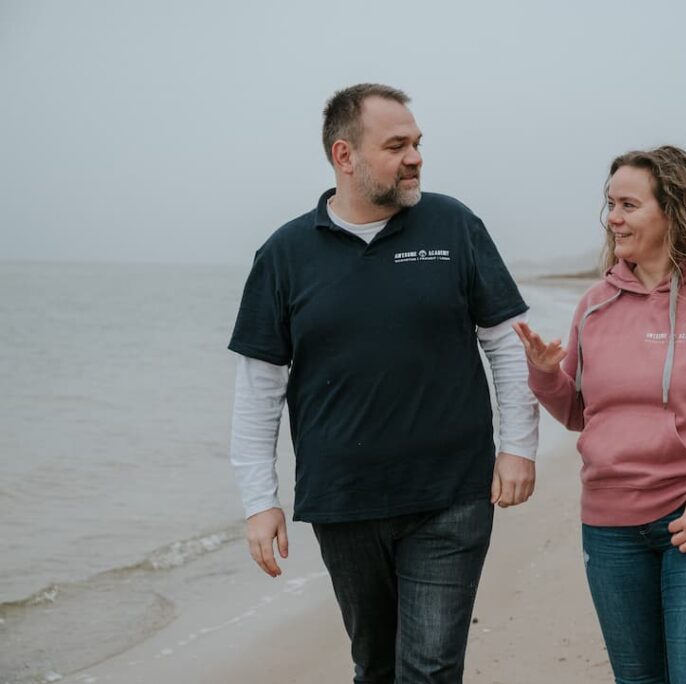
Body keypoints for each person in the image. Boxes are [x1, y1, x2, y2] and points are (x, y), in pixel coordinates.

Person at [227, 83, 539, 684]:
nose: (416, 157)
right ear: (345, 156)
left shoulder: (454, 224)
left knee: (429, 667)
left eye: (418, 143)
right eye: (396, 145)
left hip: (451, 494)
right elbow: (259, 386)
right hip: (344, 501)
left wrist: (518, 446)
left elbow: (506, 342)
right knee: (374, 665)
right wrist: (259, 501)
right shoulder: (285, 254)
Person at [513, 145, 686, 683]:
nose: (613, 218)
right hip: (610, 529)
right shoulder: (595, 304)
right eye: (609, 204)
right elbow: (579, 412)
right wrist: (547, 374)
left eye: (628, 205)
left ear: (673, 211)